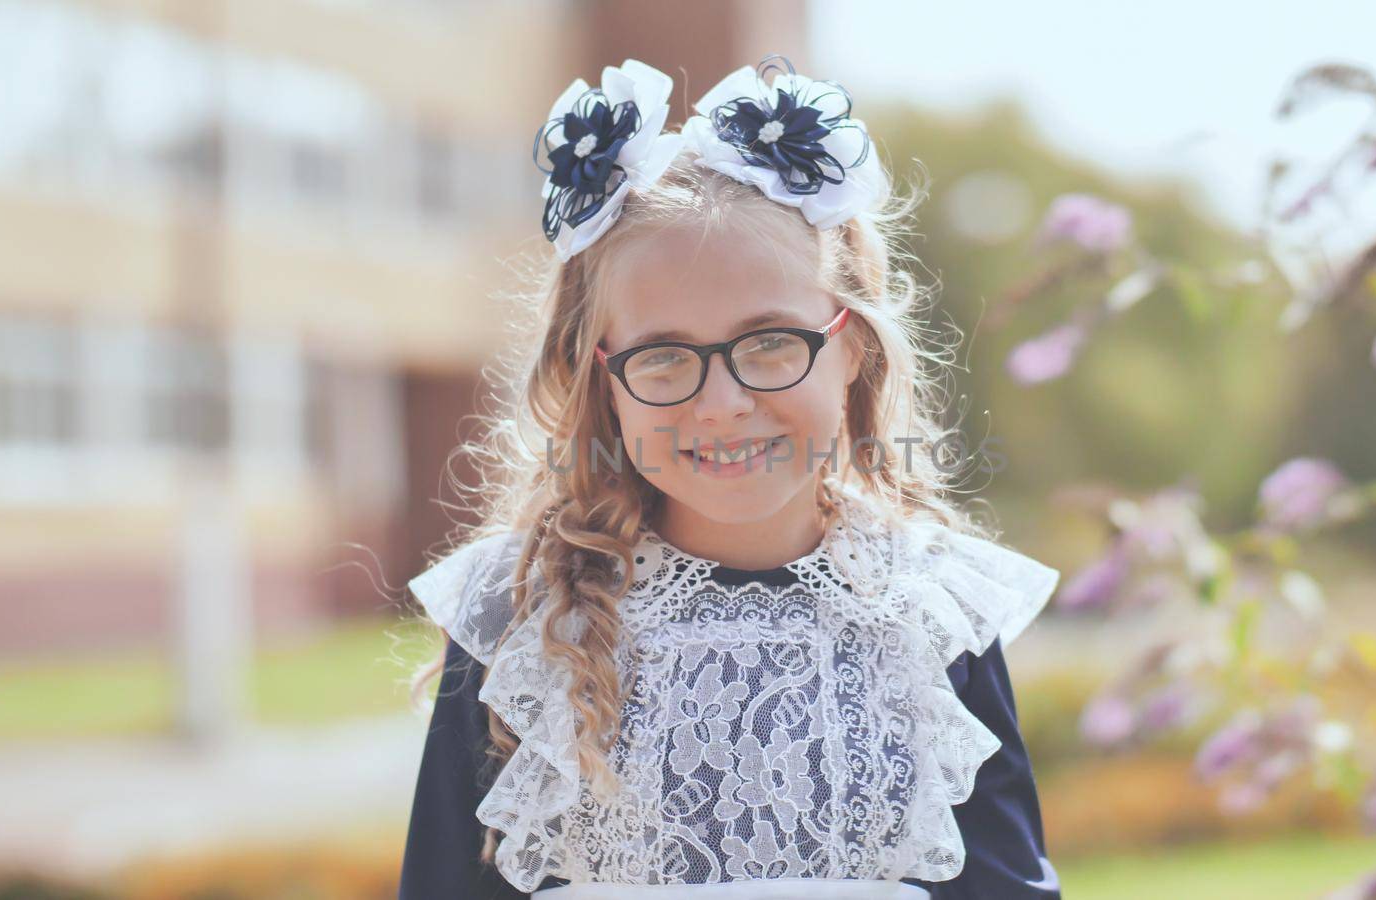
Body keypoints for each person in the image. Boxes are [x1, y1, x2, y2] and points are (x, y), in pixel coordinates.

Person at [397, 54, 1064, 899]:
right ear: (603, 377)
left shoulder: (932, 609)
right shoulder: (515, 614)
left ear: (850, 345)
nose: (723, 403)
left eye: (772, 343)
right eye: (664, 356)